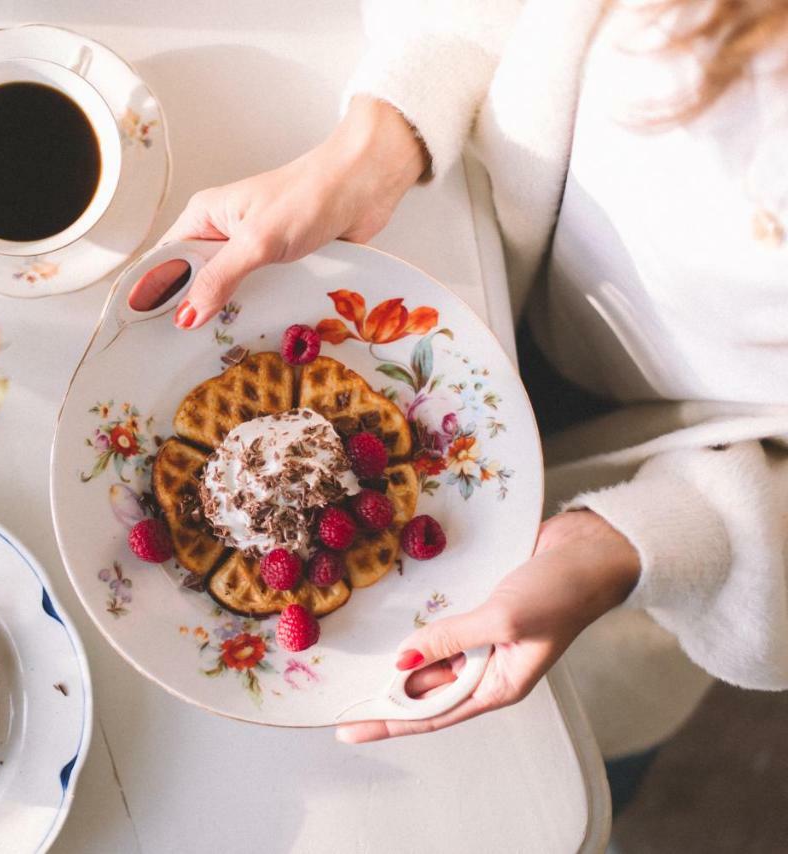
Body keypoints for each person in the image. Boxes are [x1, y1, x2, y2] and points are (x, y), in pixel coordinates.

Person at [161, 0, 788, 808]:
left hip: (677, 525)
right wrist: (384, 133)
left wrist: (640, 545)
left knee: (539, 784)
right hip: (461, 239)